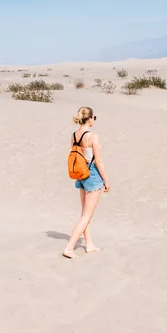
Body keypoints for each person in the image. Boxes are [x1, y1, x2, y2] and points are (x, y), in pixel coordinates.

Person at [63, 106, 110, 259]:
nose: (94, 120)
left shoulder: (74, 135)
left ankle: (89, 244)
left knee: (85, 213)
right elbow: (99, 161)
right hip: (93, 174)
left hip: (81, 174)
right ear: (89, 119)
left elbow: (76, 155)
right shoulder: (92, 136)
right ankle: (69, 248)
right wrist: (105, 179)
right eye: (94, 118)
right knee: (87, 215)